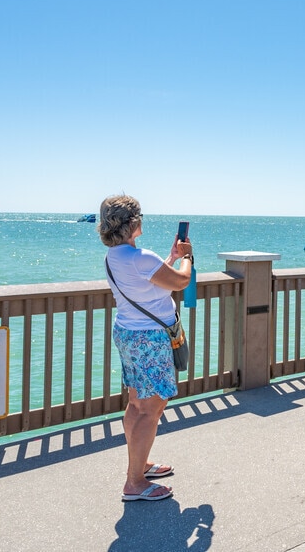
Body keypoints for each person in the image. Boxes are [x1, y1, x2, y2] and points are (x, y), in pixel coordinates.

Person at [98, 195, 193, 502]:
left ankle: (141, 465)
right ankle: (135, 481)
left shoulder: (116, 257)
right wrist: (188, 257)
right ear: (134, 223)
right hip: (150, 339)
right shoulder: (140, 258)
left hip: (129, 333)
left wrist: (170, 257)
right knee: (151, 410)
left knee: (137, 403)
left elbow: (152, 283)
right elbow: (180, 282)